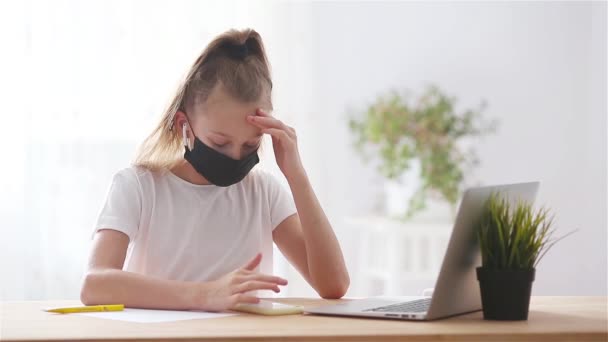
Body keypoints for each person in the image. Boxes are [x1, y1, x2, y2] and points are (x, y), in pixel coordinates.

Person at [80, 28, 349, 311]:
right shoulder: (138, 186)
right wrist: (205, 295)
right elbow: (95, 285)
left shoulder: (264, 193)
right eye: (220, 143)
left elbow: (333, 285)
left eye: (250, 145)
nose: (235, 156)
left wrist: (297, 177)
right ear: (184, 125)